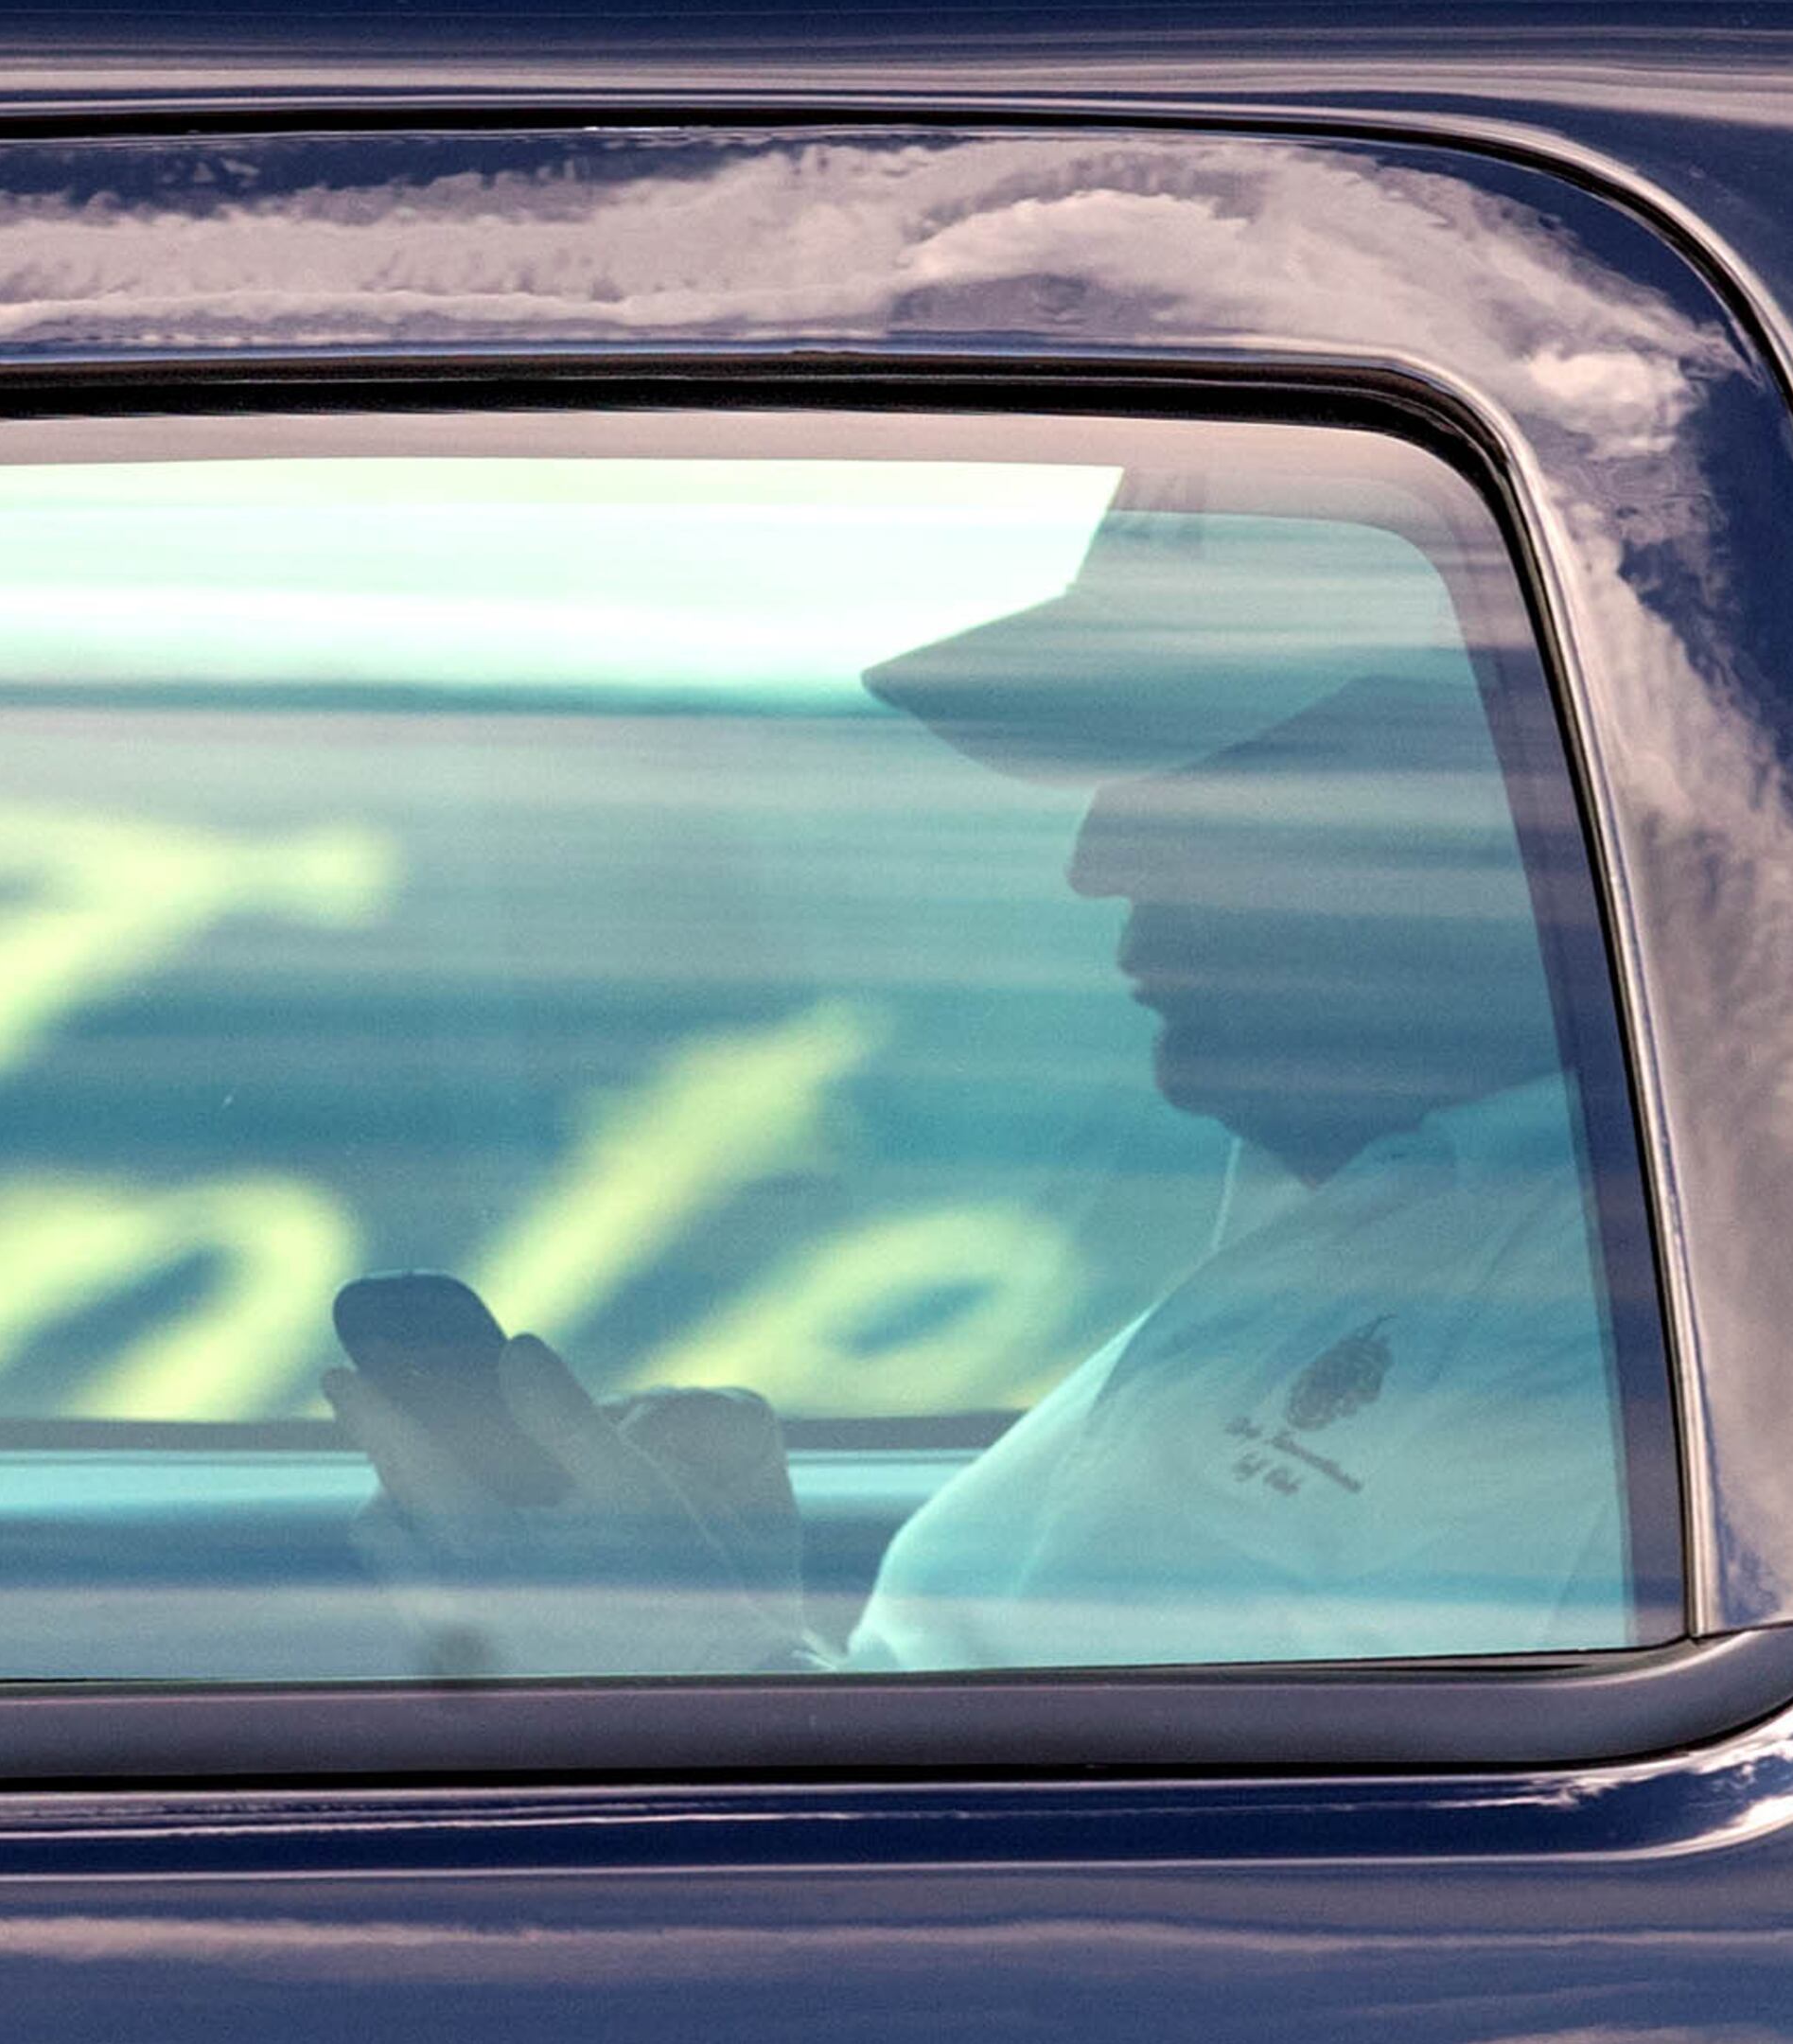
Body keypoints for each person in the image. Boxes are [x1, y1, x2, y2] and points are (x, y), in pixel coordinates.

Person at [322, 500, 1636, 1677]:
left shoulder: (1603, 1345)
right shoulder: (1387, 1209)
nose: (1097, 860)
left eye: (1204, 776)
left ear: (1491, 800)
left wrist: (672, 1668)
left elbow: (1264, 1857)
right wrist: (724, 1625)